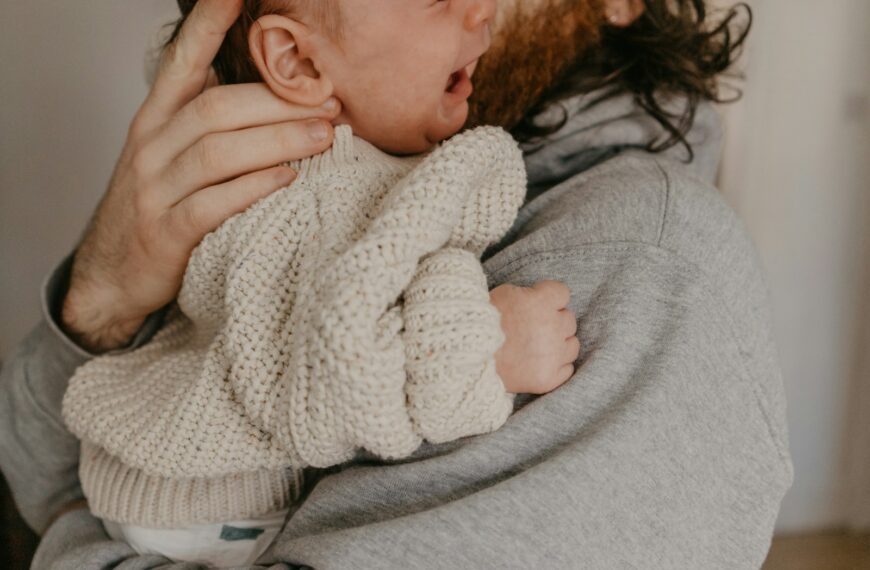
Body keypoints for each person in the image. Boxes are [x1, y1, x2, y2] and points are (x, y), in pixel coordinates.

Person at [0, 0, 794, 568]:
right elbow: (34, 465)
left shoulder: (643, 268)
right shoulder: (287, 186)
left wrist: (73, 540)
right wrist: (101, 300)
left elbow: (56, 505)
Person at [60, 1, 578, 565]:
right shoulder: (319, 193)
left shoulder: (320, 171)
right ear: (300, 61)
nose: (482, 7)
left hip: (167, 482)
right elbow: (337, 365)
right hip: (216, 510)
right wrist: (488, 350)